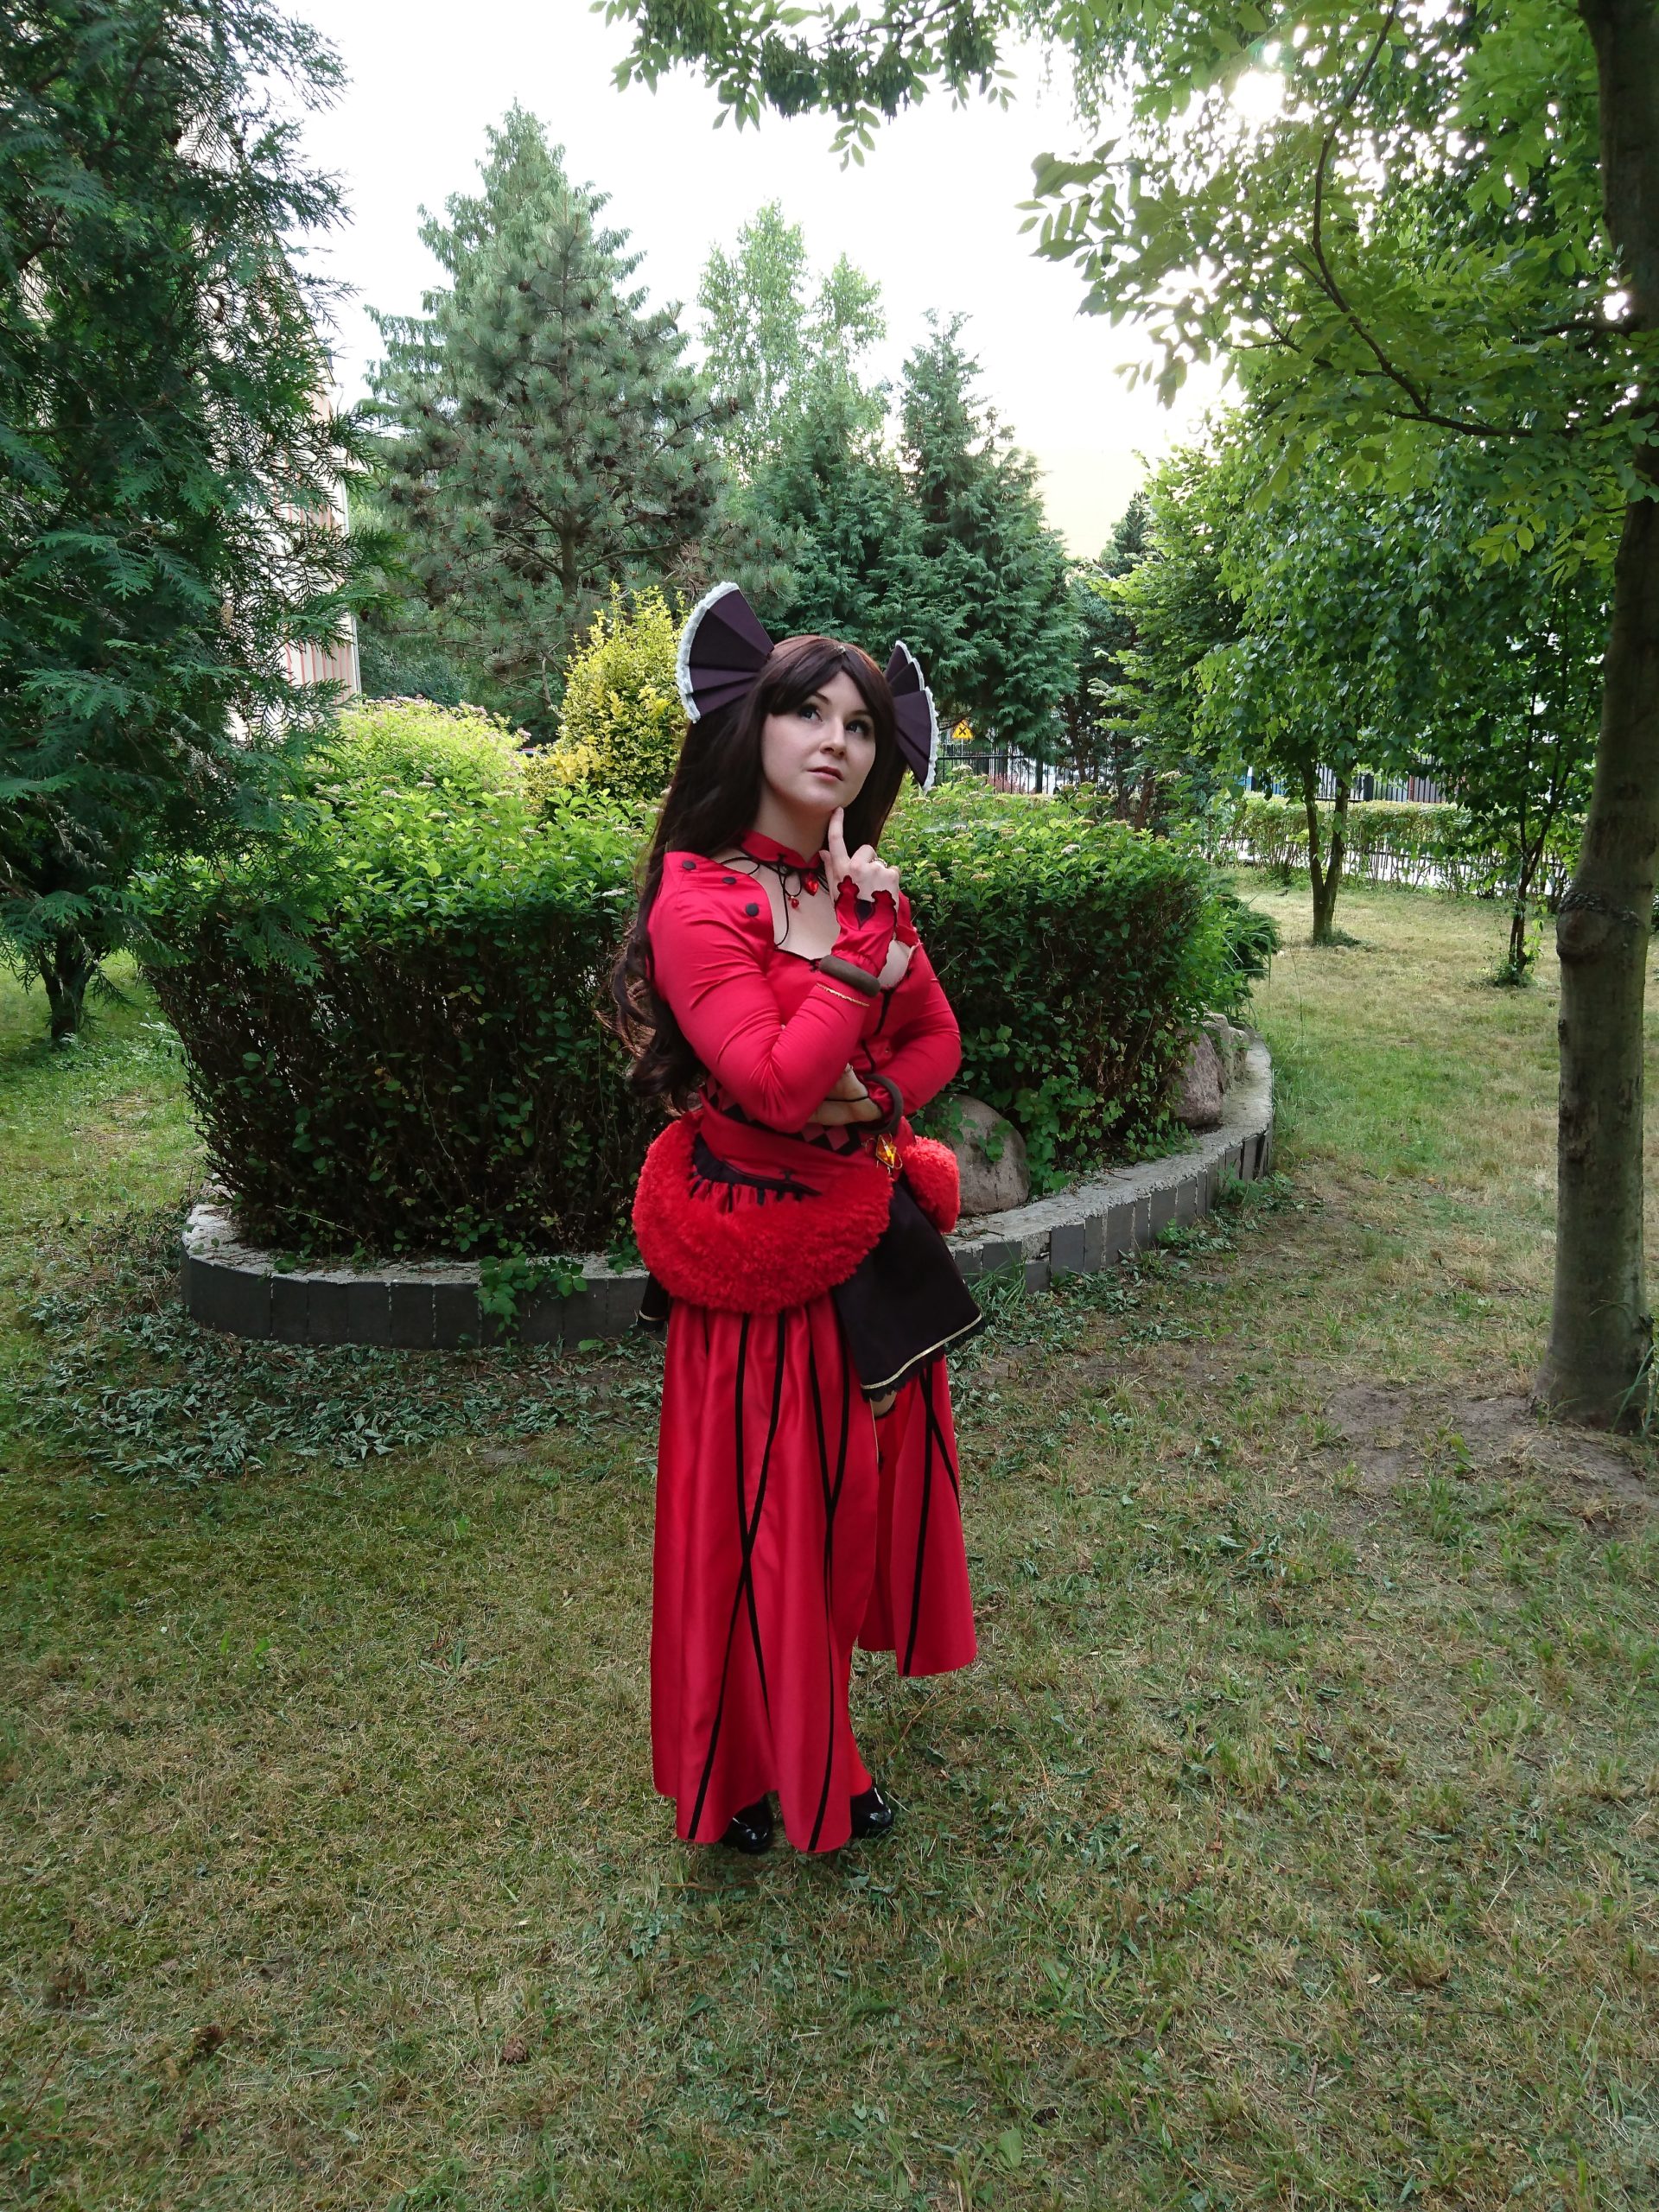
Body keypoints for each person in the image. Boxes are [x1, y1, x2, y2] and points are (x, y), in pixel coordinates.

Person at [612, 582, 984, 1857]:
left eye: (860, 724)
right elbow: (772, 1085)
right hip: (755, 1264)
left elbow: (934, 1037)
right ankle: (749, 1773)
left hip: (861, 1248)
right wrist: (851, 959)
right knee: (758, 1526)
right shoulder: (697, 900)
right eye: (807, 712)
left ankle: (821, 1743)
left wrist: (871, 1097)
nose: (836, 740)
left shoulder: (862, 888)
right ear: (750, 725)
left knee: (842, 1516)